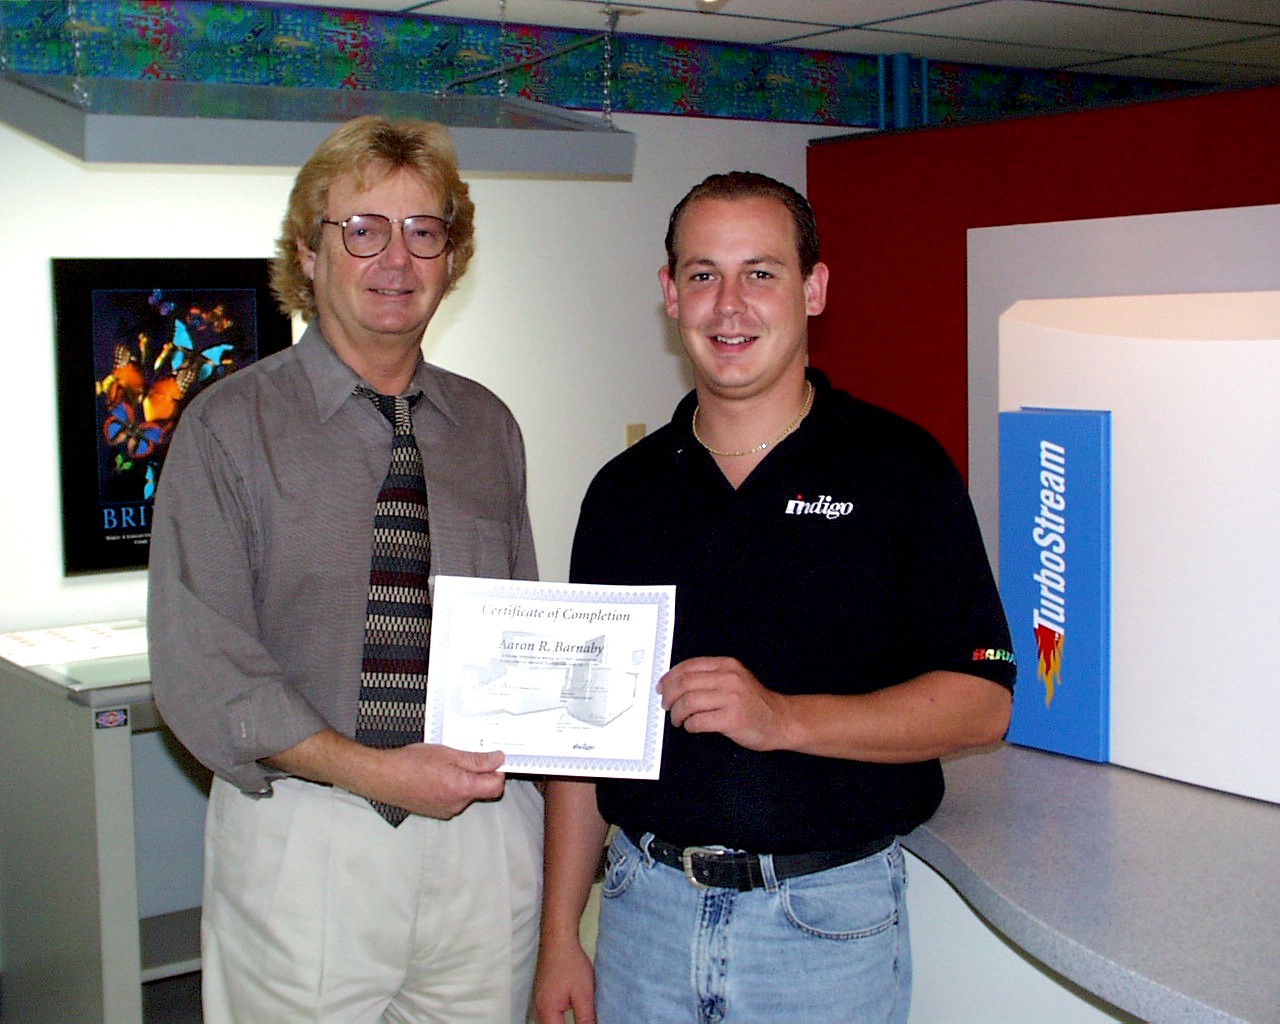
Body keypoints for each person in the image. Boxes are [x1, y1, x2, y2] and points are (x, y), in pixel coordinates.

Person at [532, 171, 1016, 1024]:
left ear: (813, 289)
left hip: (823, 930)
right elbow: (582, 743)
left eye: (760, 273)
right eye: (703, 274)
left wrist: (783, 719)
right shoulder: (624, 493)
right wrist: (559, 936)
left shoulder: (899, 469)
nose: (730, 305)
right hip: (643, 919)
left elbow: (982, 704)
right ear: (670, 294)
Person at [148, 116, 542, 1024]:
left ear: (452, 256)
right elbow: (205, 666)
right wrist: (372, 771)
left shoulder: (488, 426)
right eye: (362, 229)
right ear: (308, 251)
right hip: (307, 836)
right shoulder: (227, 428)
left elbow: (521, 632)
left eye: (423, 230)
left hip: (482, 840)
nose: (395, 259)